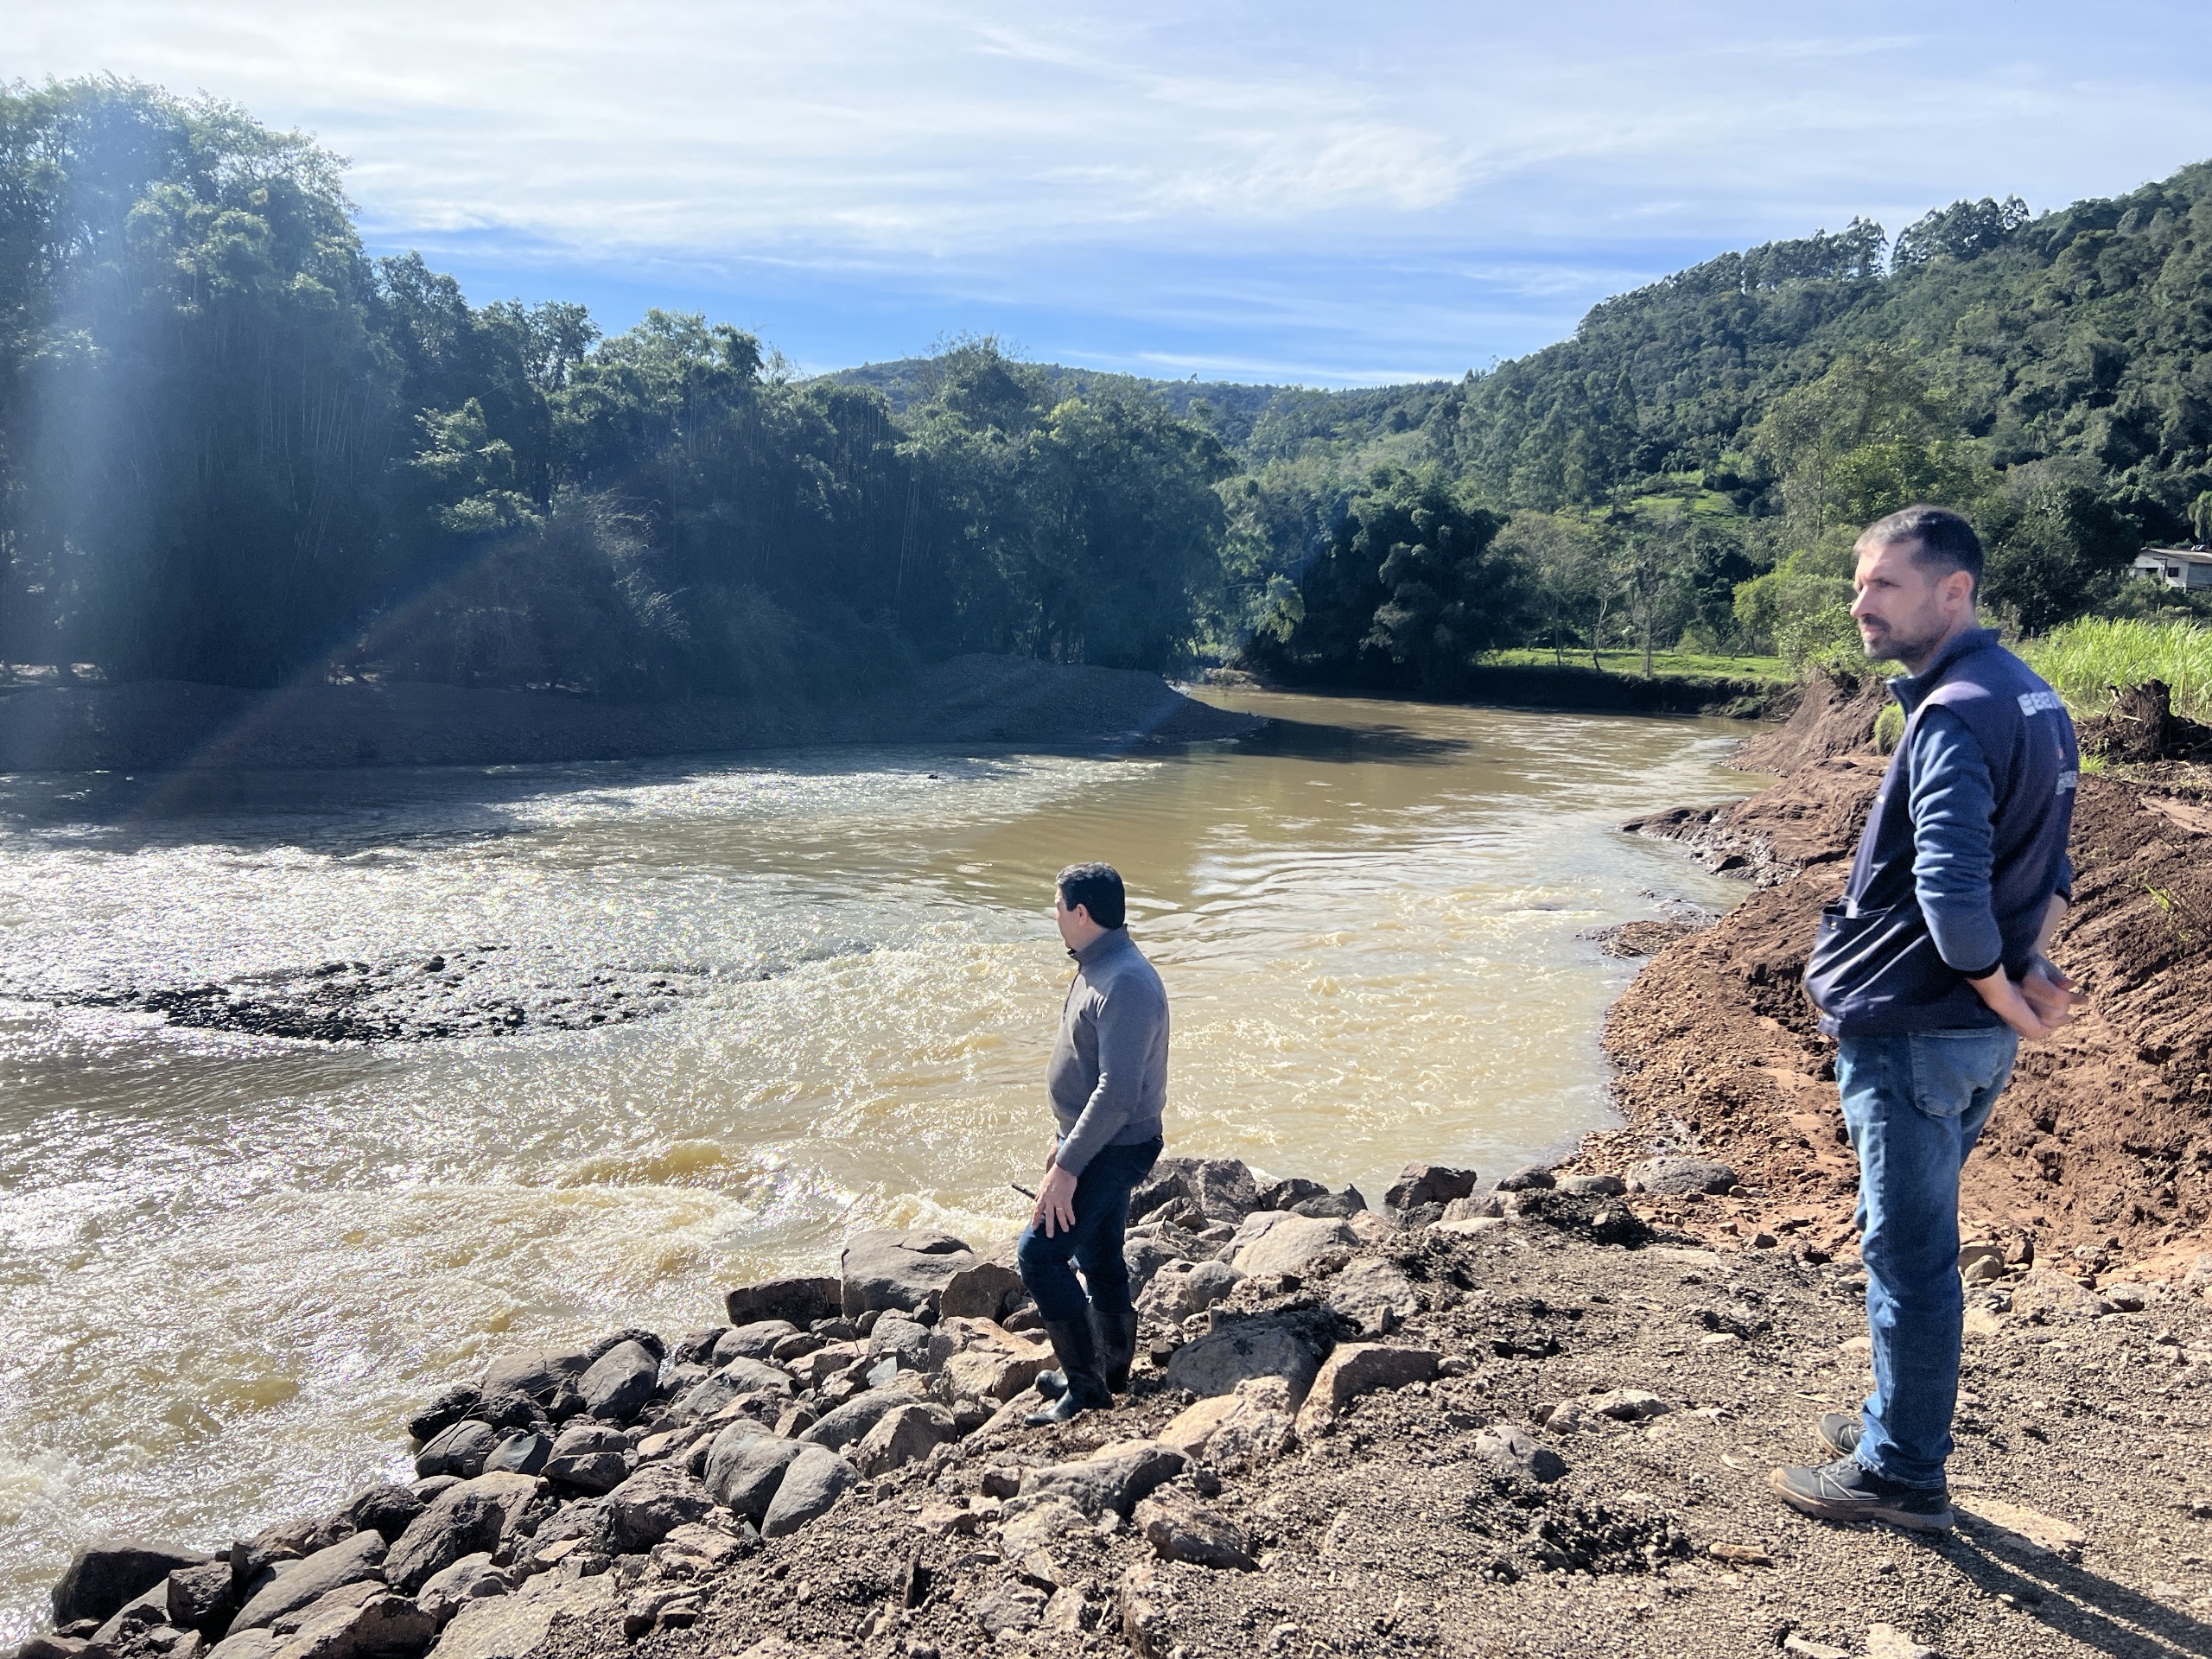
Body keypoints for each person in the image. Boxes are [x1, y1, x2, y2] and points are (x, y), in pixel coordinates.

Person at [1771, 505, 2087, 1532]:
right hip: (1964, 1035)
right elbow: (2048, 861)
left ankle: (1903, 1472)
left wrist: (1999, 988)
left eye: (1884, 585)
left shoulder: (1952, 711)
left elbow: (1951, 893)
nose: (1858, 605)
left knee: (1909, 1256)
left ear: (1954, 591)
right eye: (1857, 583)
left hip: (1920, 1026)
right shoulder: (2030, 695)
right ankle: (1889, 1422)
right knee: (1912, 1241)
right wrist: (2022, 968)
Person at [1015, 861, 1168, 1426]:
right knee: (1098, 1255)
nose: (1052, 915)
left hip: (1116, 1147)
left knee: (1039, 1256)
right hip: (1094, 1141)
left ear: (1081, 913)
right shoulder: (1097, 963)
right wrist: (1063, 1142)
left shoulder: (1125, 982)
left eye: (1057, 906)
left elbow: (1119, 1094)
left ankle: (1087, 1388)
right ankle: (1111, 1368)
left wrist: (1067, 1166)